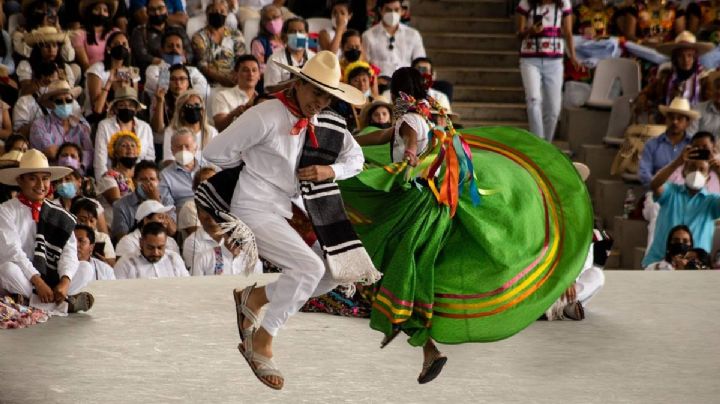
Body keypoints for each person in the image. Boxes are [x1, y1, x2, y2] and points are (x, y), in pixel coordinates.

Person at [342, 66, 592, 384]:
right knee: (404, 272)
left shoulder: (409, 120)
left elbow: (407, 142)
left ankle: (425, 345)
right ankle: (425, 346)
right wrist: (347, 141)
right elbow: (380, 137)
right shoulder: (430, 118)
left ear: (398, 95)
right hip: (434, 202)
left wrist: (406, 158)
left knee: (394, 265)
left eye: (392, 93)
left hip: (417, 204)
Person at [202, 51, 374, 390]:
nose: (319, 101)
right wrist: (253, 162)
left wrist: (331, 170)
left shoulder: (326, 122)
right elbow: (214, 153)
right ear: (298, 84)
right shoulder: (265, 115)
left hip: (294, 207)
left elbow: (356, 159)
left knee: (334, 272)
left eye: (327, 96)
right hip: (254, 205)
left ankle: (256, 298)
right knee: (308, 270)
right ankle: (262, 341)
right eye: (315, 92)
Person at [0, 150, 94, 313]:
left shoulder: (58, 213)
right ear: (19, 181)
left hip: (53, 278)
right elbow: (12, 251)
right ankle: (64, 305)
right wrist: (38, 281)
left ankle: (37, 302)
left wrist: (64, 282)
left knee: (86, 268)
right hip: (27, 279)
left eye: (45, 179)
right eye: (32, 178)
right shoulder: (6, 210)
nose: (40, 185)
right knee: (7, 269)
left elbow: (69, 251)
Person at [516, 0, 581, 141]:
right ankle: (538, 142)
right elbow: (519, 34)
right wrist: (530, 30)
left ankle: (547, 144)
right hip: (530, 59)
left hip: (555, 60)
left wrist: (573, 57)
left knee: (553, 109)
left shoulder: (564, 4)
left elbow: (568, 32)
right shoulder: (526, 3)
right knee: (533, 99)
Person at [642, 151, 720, 267]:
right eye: (692, 167)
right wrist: (676, 163)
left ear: (708, 177)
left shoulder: (712, 201)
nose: (696, 172)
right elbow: (654, 185)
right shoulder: (670, 191)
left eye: (701, 169)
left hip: (696, 267)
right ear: (684, 172)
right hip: (658, 263)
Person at [634, 31, 712, 119]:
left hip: (695, 122)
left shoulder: (703, 78)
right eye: (681, 56)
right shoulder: (666, 75)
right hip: (668, 120)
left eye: (689, 56)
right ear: (675, 58)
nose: (686, 60)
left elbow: (709, 102)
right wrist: (643, 98)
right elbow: (647, 92)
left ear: (695, 58)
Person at [29, 80, 94, 168]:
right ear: (51, 104)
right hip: (51, 176)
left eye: (68, 100)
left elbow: (90, 155)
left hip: (77, 176)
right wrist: (76, 155)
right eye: (59, 101)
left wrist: (61, 153)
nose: (64, 104)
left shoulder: (80, 127)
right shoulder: (40, 125)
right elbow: (51, 153)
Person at [94, 86, 155, 180]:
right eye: (122, 105)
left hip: (140, 178)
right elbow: (100, 159)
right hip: (112, 178)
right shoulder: (104, 125)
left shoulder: (145, 127)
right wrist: (104, 183)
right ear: (115, 108)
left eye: (131, 105)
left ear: (135, 109)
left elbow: (149, 158)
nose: (127, 108)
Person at [638, 97, 697, 187]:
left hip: (686, 195)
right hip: (657, 193)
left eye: (680, 118)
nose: (675, 122)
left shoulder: (694, 145)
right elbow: (644, 173)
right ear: (666, 119)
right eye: (671, 117)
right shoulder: (652, 144)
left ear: (687, 122)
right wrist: (658, 188)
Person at [188, 205, 263, 275]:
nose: (234, 235)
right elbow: (194, 287)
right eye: (230, 231)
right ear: (223, 232)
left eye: (238, 230)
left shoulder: (253, 262)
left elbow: (259, 287)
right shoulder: (204, 258)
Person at [111, 160, 176, 239]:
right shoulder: (120, 205)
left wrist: (156, 201)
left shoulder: (166, 200)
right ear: (134, 182)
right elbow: (122, 238)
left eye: (152, 179)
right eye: (143, 179)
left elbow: (172, 231)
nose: (149, 183)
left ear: (158, 181)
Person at [12, 64, 82, 137]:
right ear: (36, 82)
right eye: (46, 82)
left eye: (55, 82)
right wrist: (45, 122)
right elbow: (18, 134)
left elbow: (84, 126)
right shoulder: (24, 102)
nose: (50, 86)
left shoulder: (68, 100)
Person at [84, 30, 141, 119]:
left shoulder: (132, 72)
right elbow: (97, 109)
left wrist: (125, 87)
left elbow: (134, 104)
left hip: (123, 117)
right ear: (108, 48)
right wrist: (110, 82)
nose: (121, 47)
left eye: (124, 44)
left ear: (129, 50)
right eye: (116, 44)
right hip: (98, 117)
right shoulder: (97, 69)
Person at [362, 0, 426, 77]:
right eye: (388, 10)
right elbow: (364, 65)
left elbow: (420, 62)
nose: (392, 14)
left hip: (406, 82)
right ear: (380, 10)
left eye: (396, 10)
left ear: (402, 11)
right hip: (381, 83)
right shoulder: (368, 35)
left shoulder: (413, 35)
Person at [191, 0, 247, 87]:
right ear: (207, 14)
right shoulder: (199, 37)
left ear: (227, 14)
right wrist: (222, 79)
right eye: (213, 11)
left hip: (235, 81)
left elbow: (242, 59)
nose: (218, 14)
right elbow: (202, 65)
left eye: (222, 11)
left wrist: (235, 77)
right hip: (209, 83)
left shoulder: (236, 34)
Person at [130, 0, 193, 72]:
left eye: (160, 8)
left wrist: (178, 60)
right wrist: (163, 62)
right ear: (147, 12)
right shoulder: (139, 32)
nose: (157, 13)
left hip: (180, 71)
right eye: (152, 10)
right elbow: (141, 56)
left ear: (166, 10)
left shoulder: (178, 30)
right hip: (153, 72)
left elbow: (190, 53)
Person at [95, 131, 140, 224]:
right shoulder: (108, 177)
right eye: (124, 145)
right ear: (115, 153)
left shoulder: (138, 177)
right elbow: (118, 205)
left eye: (133, 145)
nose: (129, 148)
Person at [114, 222, 188, 278]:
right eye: (150, 247)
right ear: (141, 243)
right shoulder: (125, 263)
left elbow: (186, 286)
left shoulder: (174, 259)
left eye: (160, 247)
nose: (156, 253)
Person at [162, 90, 217, 165]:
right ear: (181, 111)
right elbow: (168, 160)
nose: (193, 109)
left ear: (202, 110)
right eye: (189, 106)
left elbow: (215, 159)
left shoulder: (211, 132)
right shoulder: (171, 131)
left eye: (197, 105)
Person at [18, 27, 76, 96]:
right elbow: (25, 92)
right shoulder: (26, 65)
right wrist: (40, 83)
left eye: (54, 46)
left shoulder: (65, 67)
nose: (51, 50)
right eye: (46, 46)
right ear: (38, 49)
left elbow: (69, 93)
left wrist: (64, 80)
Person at [263, 17, 315, 90]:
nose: (297, 35)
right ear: (285, 36)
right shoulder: (275, 59)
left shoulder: (314, 58)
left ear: (307, 35)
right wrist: (291, 84)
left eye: (301, 31)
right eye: (292, 31)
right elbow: (270, 89)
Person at [115, 199, 181, 257]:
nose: (165, 222)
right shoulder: (128, 242)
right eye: (160, 218)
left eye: (165, 218)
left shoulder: (171, 241)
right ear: (146, 220)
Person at [160, 128, 207, 209]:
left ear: (195, 148)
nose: (183, 150)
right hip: (183, 216)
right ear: (172, 150)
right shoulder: (165, 175)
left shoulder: (207, 167)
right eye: (179, 147)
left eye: (187, 146)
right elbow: (169, 207)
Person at [213, 55, 261, 131]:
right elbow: (219, 126)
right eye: (245, 70)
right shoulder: (223, 96)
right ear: (236, 74)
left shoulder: (263, 100)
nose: (251, 74)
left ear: (259, 76)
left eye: (254, 70)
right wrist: (233, 114)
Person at [71, 0, 119, 71]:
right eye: (97, 9)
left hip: (115, 73)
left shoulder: (115, 32)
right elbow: (85, 64)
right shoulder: (79, 34)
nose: (101, 13)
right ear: (89, 11)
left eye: (105, 10)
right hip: (92, 75)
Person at [148, 64, 194, 135]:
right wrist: (160, 101)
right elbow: (157, 129)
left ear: (188, 82)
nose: (178, 83)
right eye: (173, 79)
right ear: (167, 82)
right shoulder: (158, 98)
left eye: (182, 79)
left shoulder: (194, 99)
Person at [71, 198, 116, 266]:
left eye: (91, 221)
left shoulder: (102, 238)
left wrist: (104, 262)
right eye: (82, 220)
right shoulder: (68, 236)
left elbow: (113, 263)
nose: (88, 225)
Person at [178, 166, 216, 239]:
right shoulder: (190, 206)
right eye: (206, 182)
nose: (211, 184)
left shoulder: (223, 204)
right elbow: (199, 237)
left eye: (215, 180)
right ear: (196, 187)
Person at [249, 4, 284, 76]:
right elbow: (258, 67)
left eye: (275, 17)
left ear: (282, 17)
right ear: (263, 23)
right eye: (267, 19)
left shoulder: (289, 39)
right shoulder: (259, 43)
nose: (272, 22)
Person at [689, 71, 720, 135]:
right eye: (717, 87)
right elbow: (690, 136)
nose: (719, 91)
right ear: (712, 89)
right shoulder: (697, 109)